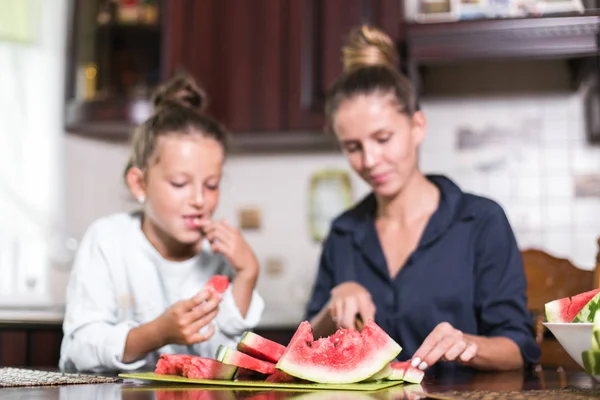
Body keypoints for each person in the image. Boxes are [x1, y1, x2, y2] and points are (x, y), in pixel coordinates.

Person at [304, 25, 540, 372]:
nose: (369, 161)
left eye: (383, 138)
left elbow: (518, 348)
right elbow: (304, 349)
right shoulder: (343, 232)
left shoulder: (481, 220)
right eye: (353, 147)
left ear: (417, 127)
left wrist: (467, 343)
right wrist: (331, 308)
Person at [59, 74, 264, 373]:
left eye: (211, 185)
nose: (199, 199)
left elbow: (224, 362)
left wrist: (247, 274)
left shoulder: (219, 254)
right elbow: (78, 350)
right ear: (140, 184)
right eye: (180, 183)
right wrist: (157, 333)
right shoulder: (108, 239)